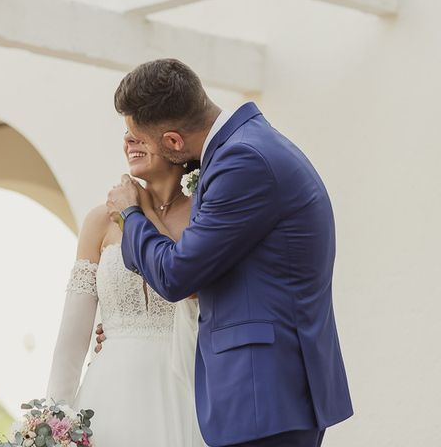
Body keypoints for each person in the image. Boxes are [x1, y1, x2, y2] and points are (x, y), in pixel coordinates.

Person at [106, 58, 353, 447]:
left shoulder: (243, 161)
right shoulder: (248, 146)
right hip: (266, 395)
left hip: (262, 394)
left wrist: (131, 214)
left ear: (172, 141)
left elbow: (176, 275)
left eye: (144, 139)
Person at [45, 128, 207, 446]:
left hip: (183, 388)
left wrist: (138, 213)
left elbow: (187, 285)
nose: (129, 141)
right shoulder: (99, 222)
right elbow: (71, 342)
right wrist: (52, 423)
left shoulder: (204, 217)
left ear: (175, 142)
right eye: (126, 133)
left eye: (141, 132)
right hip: (107, 394)